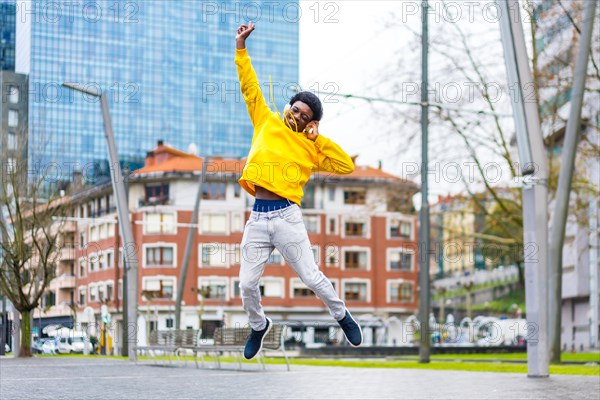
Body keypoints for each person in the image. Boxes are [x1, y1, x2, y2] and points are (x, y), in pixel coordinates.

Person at [235, 22, 363, 360]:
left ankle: (342, 315)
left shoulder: (311, 147)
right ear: (288, 107)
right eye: (295, 109)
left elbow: (345, 166)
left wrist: (317, 138)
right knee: (246, 284)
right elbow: (250, 88)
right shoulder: (266, 121)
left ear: (310, 123)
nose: (296, 116)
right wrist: (241, 49)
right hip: (258, 218)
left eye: (304, 116)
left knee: (312, 276)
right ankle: (259, 324)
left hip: (287, 217)